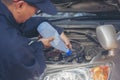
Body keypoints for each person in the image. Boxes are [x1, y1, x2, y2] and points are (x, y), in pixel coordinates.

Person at [0, 0, 72, 80]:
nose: (34, 15)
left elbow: (18, 23)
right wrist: (39, 46)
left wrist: (56, 30)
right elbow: (35, 74)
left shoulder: (4, 12)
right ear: (20, 5)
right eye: (36, 11)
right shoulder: (12, 46)